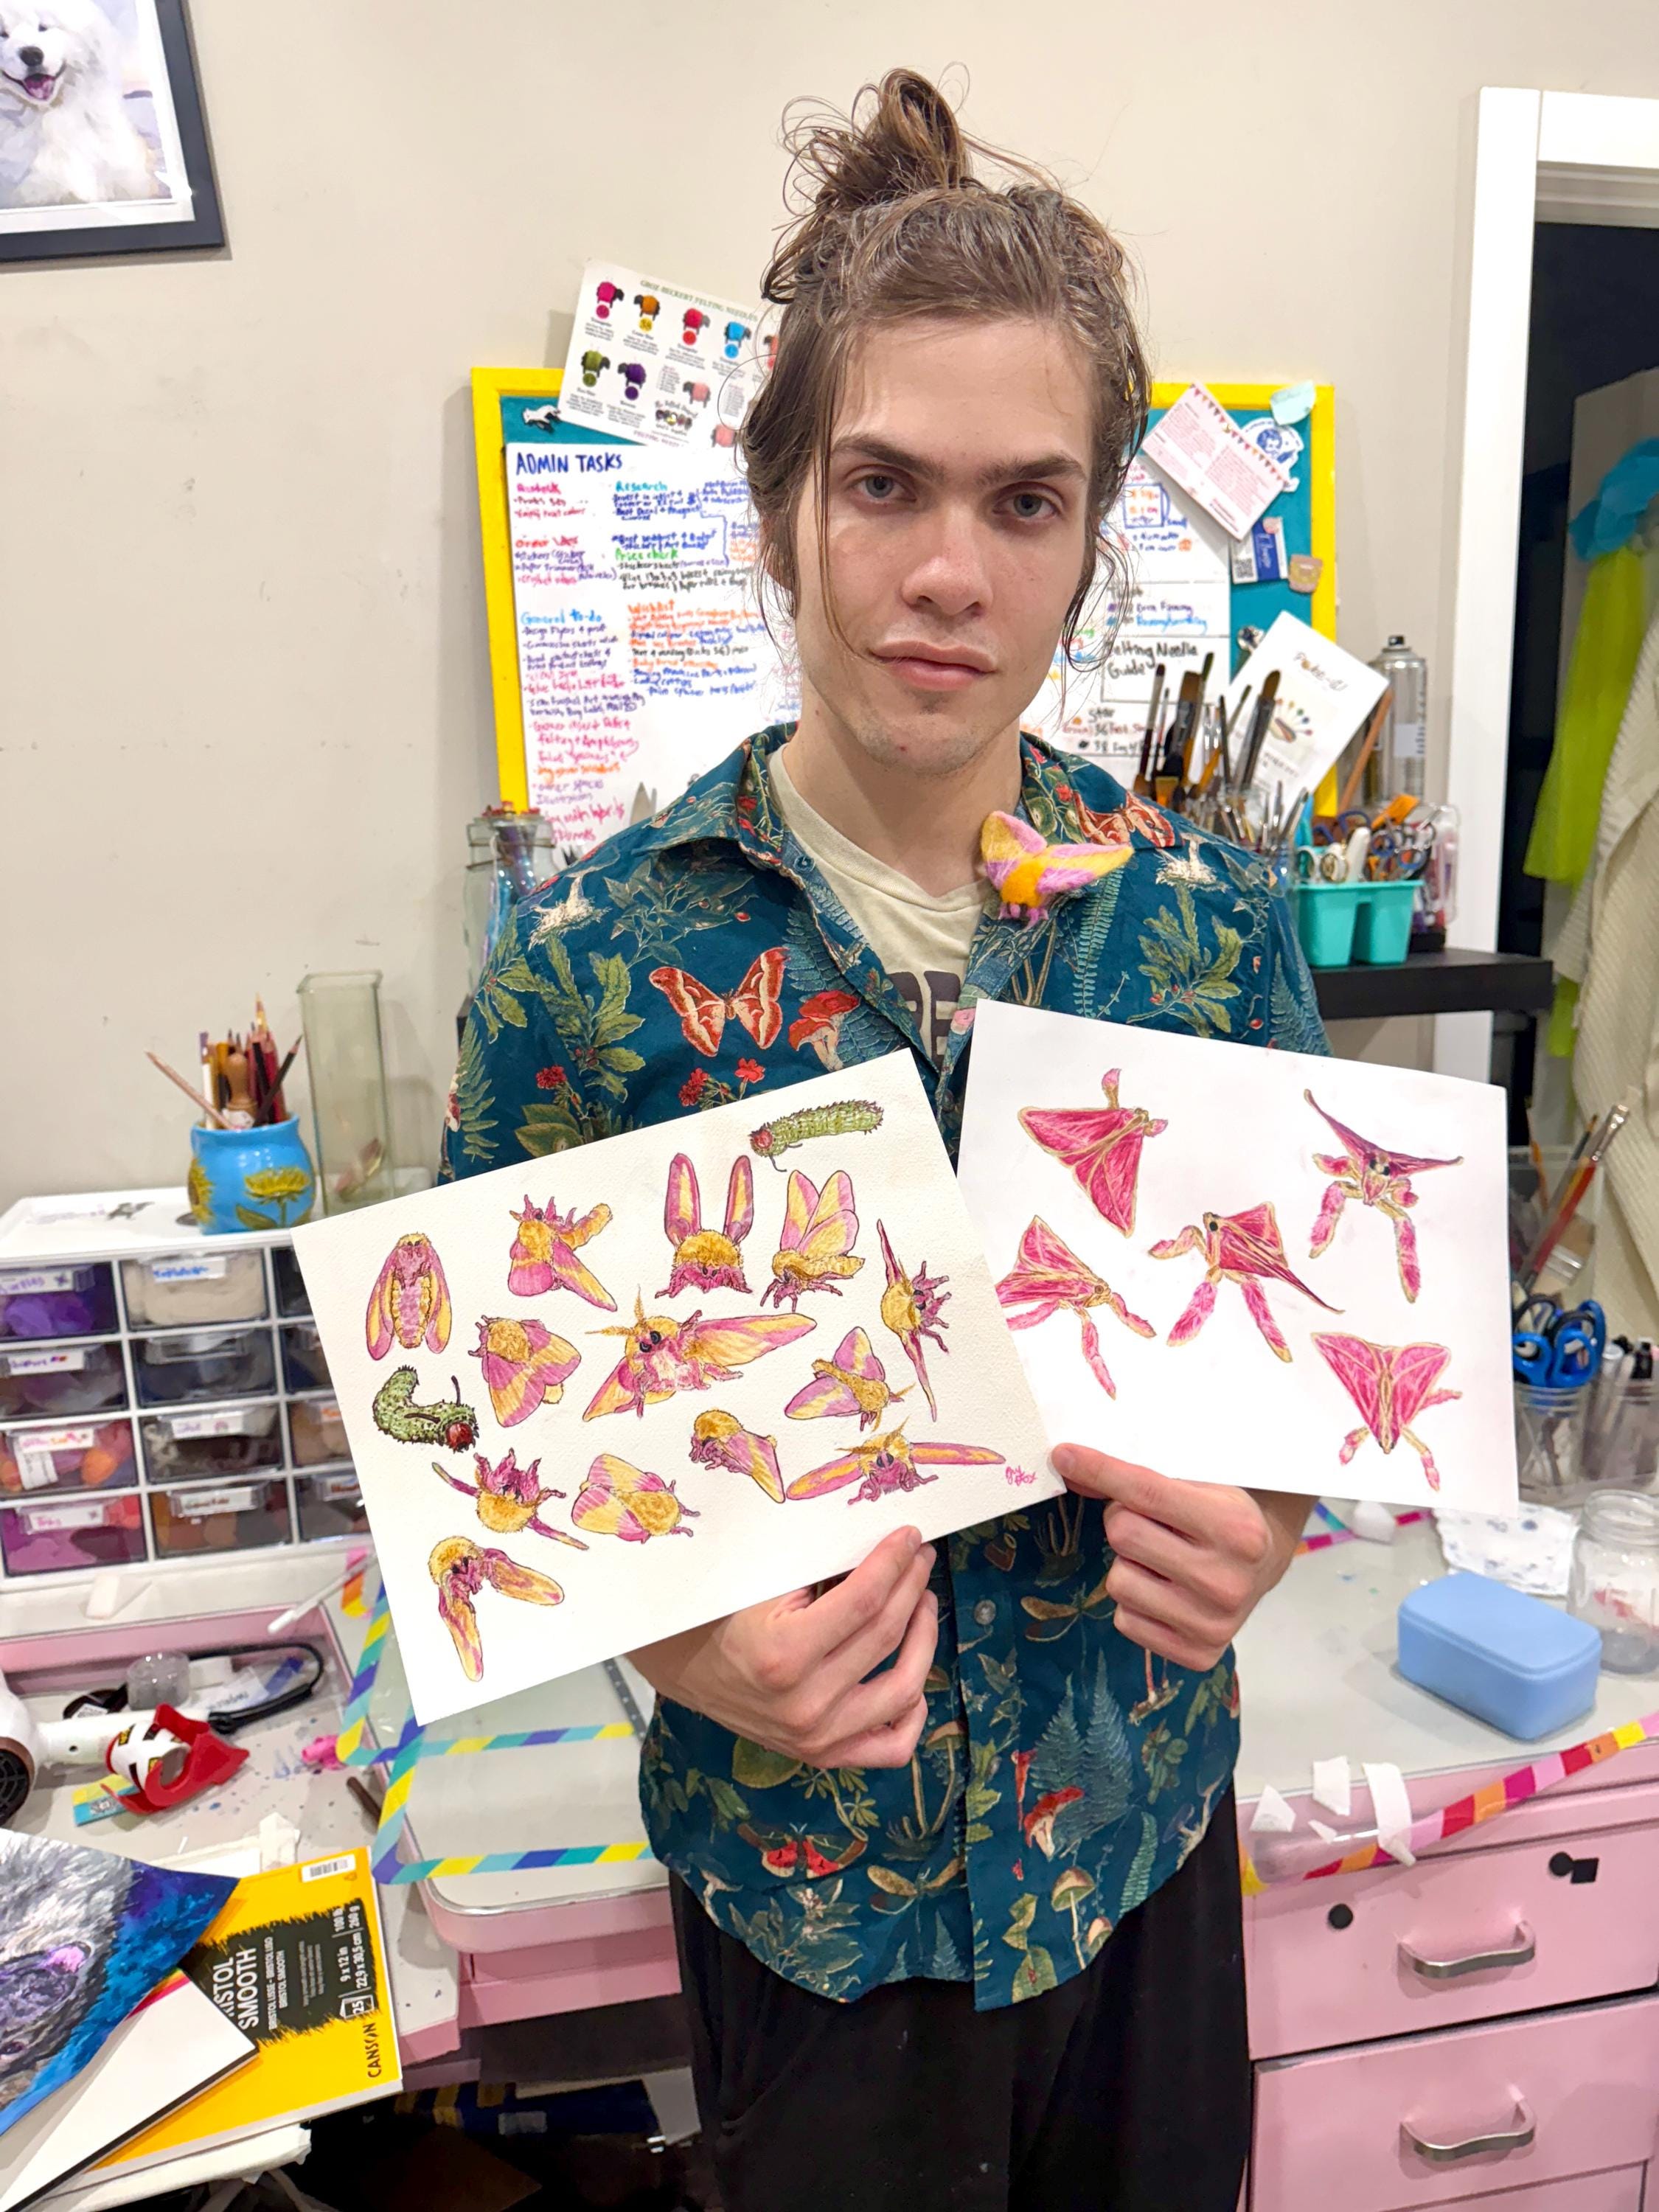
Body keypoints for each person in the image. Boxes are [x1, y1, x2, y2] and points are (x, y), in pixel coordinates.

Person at [443, 68, 1327, 2212]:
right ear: (779, 514)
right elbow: (489, 1463)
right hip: (810, 1901)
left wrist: (1274, 1530)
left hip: (1136, 1850)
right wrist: (681, 1648)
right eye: (881, 486)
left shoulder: (1206, 930)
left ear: (1089, 547)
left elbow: (1305, 1354)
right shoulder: (591, 968)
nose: (947, 572)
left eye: (1024, 503)